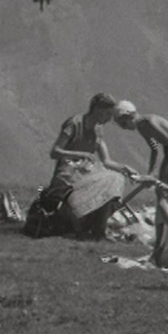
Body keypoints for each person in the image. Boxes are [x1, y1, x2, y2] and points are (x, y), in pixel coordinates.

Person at [45, 93, 152, 240]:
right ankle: (94, 228)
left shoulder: (98, 130)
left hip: (87, 174)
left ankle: (97, 228)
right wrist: (79, 154)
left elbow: (106, 161)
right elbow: (55, 152)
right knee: (111, 180)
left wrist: (125, 168)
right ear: (98, 110)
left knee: (116, 178)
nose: (109, 119)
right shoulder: (74, 124)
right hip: (68, 176)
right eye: (108, 114)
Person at [113, 100, 168, 184]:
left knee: (167, 181)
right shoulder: (141, 128)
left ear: (129, 116)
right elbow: (154, 149)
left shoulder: (150, 122)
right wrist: (150, 173)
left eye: (124, 124)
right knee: (162, 183)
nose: (124, 128)